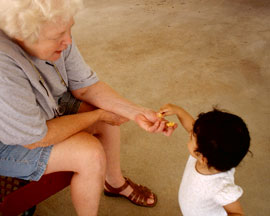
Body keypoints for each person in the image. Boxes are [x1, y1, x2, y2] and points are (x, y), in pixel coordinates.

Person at [0, 1, 176, 215]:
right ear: (22, 34)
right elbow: (35, 138)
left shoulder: (58, 34)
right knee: (90, 154)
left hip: (42, 109)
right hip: (12, 140)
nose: (69, 41)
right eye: (58, 36)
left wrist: (136, 112)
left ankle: (114, 182)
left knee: (105, 112)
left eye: (69, 29)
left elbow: (86, 87)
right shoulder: (3, 66)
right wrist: (98, 115)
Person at [158, 104, 250, 216]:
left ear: (202, 158)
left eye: (191, 137)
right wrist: (178, 111)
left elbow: (237, 213)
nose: (190, 132)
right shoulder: (207, 153)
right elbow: (192, 128)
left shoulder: (221, 187)